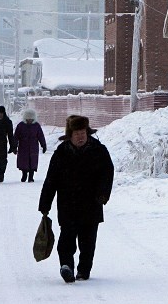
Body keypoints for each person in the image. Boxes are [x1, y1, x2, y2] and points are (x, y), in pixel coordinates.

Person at [38, 115, 114, 283]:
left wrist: (103, 194)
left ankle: (83, 270)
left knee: (87, 242)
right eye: (77, 133)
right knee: (66, 239)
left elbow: (107, 174)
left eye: (83, 133)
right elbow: (51, 179)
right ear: (70, 135)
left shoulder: (99, 151)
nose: (80, 136)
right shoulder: (61, 153)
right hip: (68, 204)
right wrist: (45, 203)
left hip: (91, 204)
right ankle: (67, 266)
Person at [14, 108, 47, 183]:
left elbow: (40, 136)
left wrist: (43, 145)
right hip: (23, 147)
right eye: (28, 119)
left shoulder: (36, 126)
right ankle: (24, 174)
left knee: (33, 162)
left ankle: (31, 176)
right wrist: (14, 147)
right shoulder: (21, 125)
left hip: (33, 147)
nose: (29, 120)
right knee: (23, 161)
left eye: (31, 119)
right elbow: (16, 136)